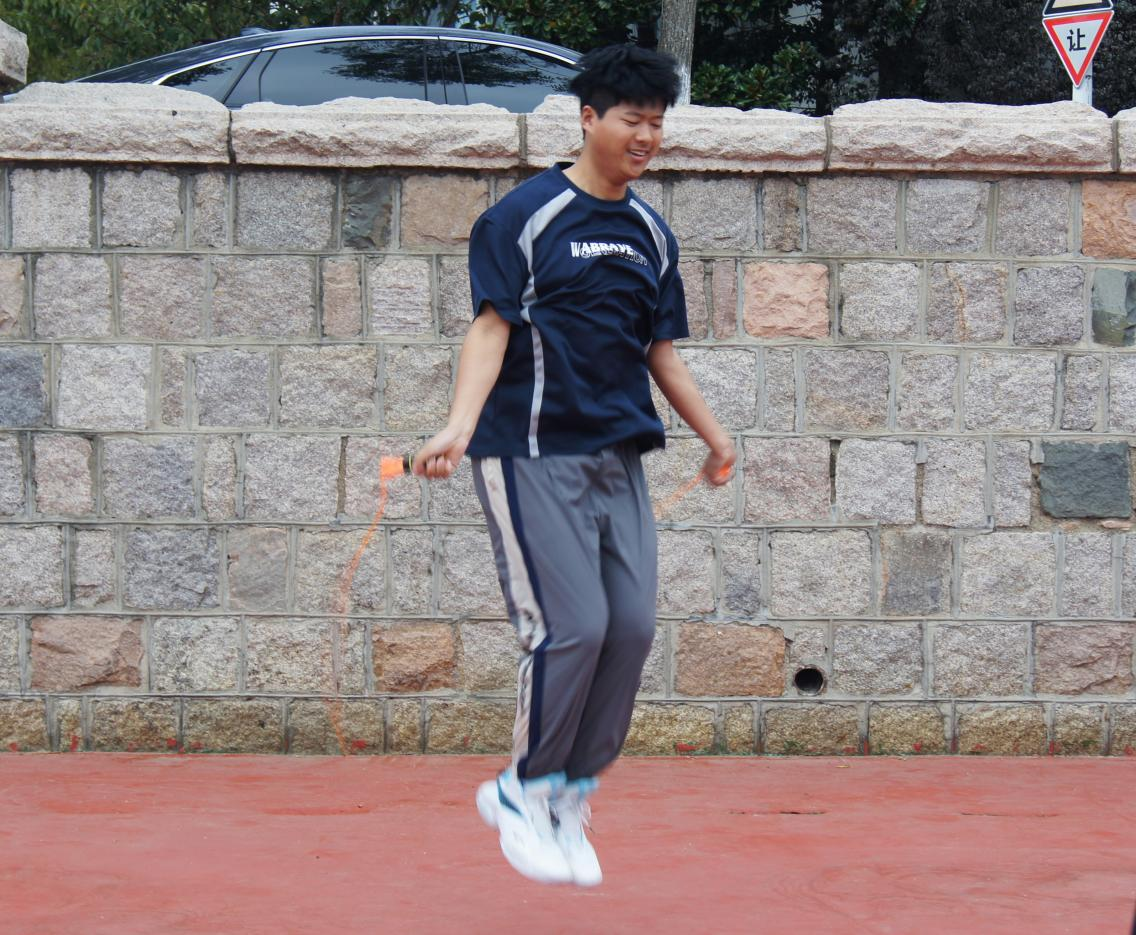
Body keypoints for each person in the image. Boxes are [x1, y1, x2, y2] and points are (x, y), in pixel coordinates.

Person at [413, 43, 736, 887]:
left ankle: (569, 789)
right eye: (632, 119)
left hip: (618, 454)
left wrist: (716, 435)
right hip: (530, 451)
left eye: (657, 123)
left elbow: (661, 352)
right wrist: (458, 424)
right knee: (572, 627)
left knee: (629, 629)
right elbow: (491, 327)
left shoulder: (650, 233)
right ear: (589, 118)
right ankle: (521, 787)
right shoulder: (524, 217)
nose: (646, 137)